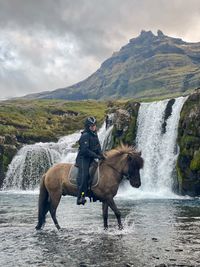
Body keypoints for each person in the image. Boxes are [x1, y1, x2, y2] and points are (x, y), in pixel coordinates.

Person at [75, 116, 105, 205]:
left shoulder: (95, 135)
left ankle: (95, 194)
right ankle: (81, 196)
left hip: (92, 157)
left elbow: (98, 147)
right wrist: (96, 156)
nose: (93, 127)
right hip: (83, 158)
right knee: (85, 175)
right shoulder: (85, 135)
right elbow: (85, 150)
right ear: (88, 126)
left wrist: (102, 155)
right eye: (91, 126)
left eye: (94, 125)